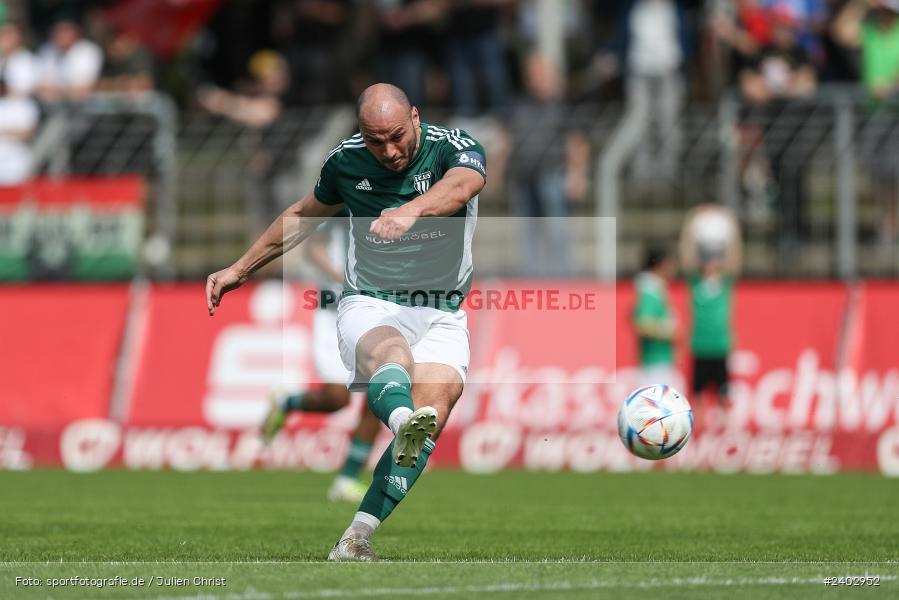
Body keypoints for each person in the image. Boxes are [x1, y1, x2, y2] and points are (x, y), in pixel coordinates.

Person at [205, 83, 486, 561]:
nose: (389, 150)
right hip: (370, 302)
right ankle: (401, 419)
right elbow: (301, 216)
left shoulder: (453, 147)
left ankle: (355, 538)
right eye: (375, 140)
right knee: (392, 357)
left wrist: (411, 211)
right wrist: (238, 269)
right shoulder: (346, 161)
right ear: (361, 132)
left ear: (415, 117)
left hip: (443, 311)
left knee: (434, 412)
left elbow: (462, 186)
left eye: (397, 136)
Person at [260, 209, 384, 503]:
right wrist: (340, 276)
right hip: (332, 314)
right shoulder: (346, 202)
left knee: (377, 397)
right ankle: (287, 402)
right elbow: (312, 249)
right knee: (336, 399)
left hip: (374, 313)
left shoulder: (394, 202)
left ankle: (346, 480)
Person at [679, 204, 742, 430]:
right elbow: (686, 256)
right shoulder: (695, 282)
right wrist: (691, 224)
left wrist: (731, 224)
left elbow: (735, 258)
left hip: (720, 345)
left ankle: (725, 434)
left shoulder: (725, 283)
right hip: (700, 345)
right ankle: (697, 435)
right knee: (696, 395)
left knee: (724, 393)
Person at [632, 245, 679, 388]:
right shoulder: (650, 291)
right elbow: (642, 324)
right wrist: (668, 331)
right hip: (655, 366)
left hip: (658, 364)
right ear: (662, 263)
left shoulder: (654, 289)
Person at [37, 18, 103, 103]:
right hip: (52, 106)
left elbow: (84, 89)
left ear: (76, 33)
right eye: (58, 31)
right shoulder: (46, 50)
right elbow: (43, 88)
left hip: (84, 105)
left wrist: (57, 90)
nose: (61, 35)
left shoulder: (89, 51)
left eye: (65, 31)